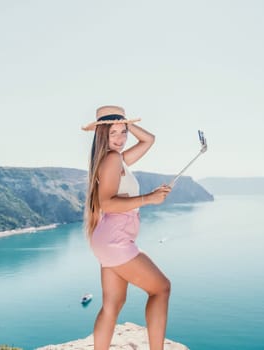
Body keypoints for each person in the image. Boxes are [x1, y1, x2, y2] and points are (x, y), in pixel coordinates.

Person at [82, 105, 172, 350]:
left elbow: (149, 140)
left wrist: (124, 122)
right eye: (114, 133)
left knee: (112, 304)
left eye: (124, 132)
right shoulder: (112, 159)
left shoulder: (114, 158)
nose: (121, 139)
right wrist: (148, 198)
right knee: (161, 289)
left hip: (105, 240)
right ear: (102, 135)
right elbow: (107, 203)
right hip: (116, 240)